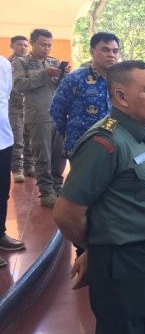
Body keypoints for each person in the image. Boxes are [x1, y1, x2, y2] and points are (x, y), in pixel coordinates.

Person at [52, 60, 145, 334]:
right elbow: (66, 212)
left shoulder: (139, 135)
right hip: (125, 265)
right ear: (120, 96)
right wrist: (100, 248)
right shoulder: (105, 143)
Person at [12, 29, 69, 208]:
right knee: (42, 155)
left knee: (60, 154)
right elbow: (19, 85)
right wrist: (45, 74)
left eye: (49, 45)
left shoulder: (54, 61)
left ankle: (58, 187)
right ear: (32, 43)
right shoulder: (20, 62)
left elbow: (61, 88)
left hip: (58, 115)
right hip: (37, 115)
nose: (47, 48)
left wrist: (64, 76)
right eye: (43, 44)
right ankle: (46, 192)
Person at [50, 32, 120, 158]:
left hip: (115, 145)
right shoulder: (75, 79)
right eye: (105, 50)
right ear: (92, 51)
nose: (111, 55)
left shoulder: (122, 81)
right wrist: (70, 134)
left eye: (115, 51)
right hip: (81, 145)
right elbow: (56, 111)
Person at [0, 56, 25, 266]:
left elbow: (5, 98)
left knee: (2, 192)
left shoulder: (4, 64)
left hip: (3, 139)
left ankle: (0, 234)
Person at [7, 35, 34, 183]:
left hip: (29, 106)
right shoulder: (6, 63)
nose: (23, 47)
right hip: (14, 107)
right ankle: (17, 169)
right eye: (19, 45)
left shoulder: (30, 63)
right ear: (12, 46)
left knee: (29, 137)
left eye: (25, 45)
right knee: (17, 139)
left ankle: (29, 166)